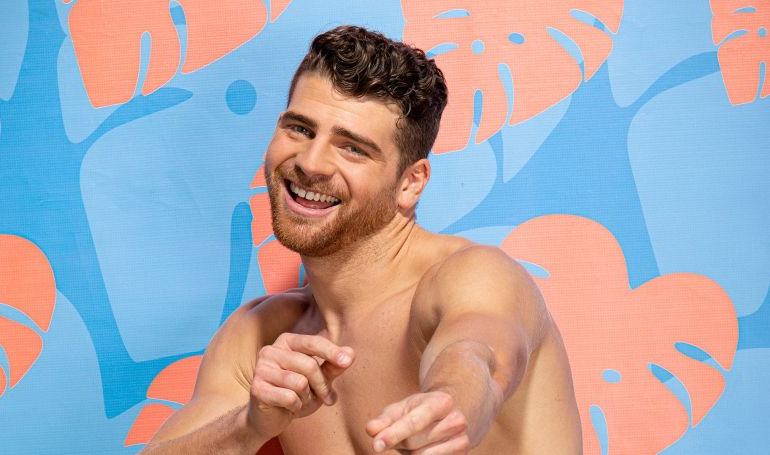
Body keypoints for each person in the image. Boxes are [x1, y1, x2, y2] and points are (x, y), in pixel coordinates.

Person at [142, 25, 581, 454]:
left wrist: (450, 402)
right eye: (301, 129)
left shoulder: (473, 277)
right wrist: (249, 426)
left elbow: (479, 353)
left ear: (410, 183)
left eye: (352, 148)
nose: (311, 163)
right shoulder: (259, 336)